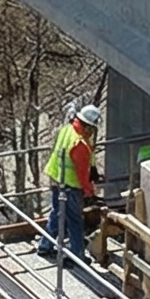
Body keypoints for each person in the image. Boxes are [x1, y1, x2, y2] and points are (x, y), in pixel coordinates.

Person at [45, 104, 101, 259]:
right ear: (88, 126)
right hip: (69, 184)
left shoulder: (67, 130)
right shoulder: (79, 143)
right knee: (74, 220)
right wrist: (89, 191)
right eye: (92, 128)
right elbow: (81, 173)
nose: (92, 132)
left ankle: (45, 245)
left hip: (55, 177)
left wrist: (93, 169)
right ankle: (78, 255)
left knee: (57, 214)